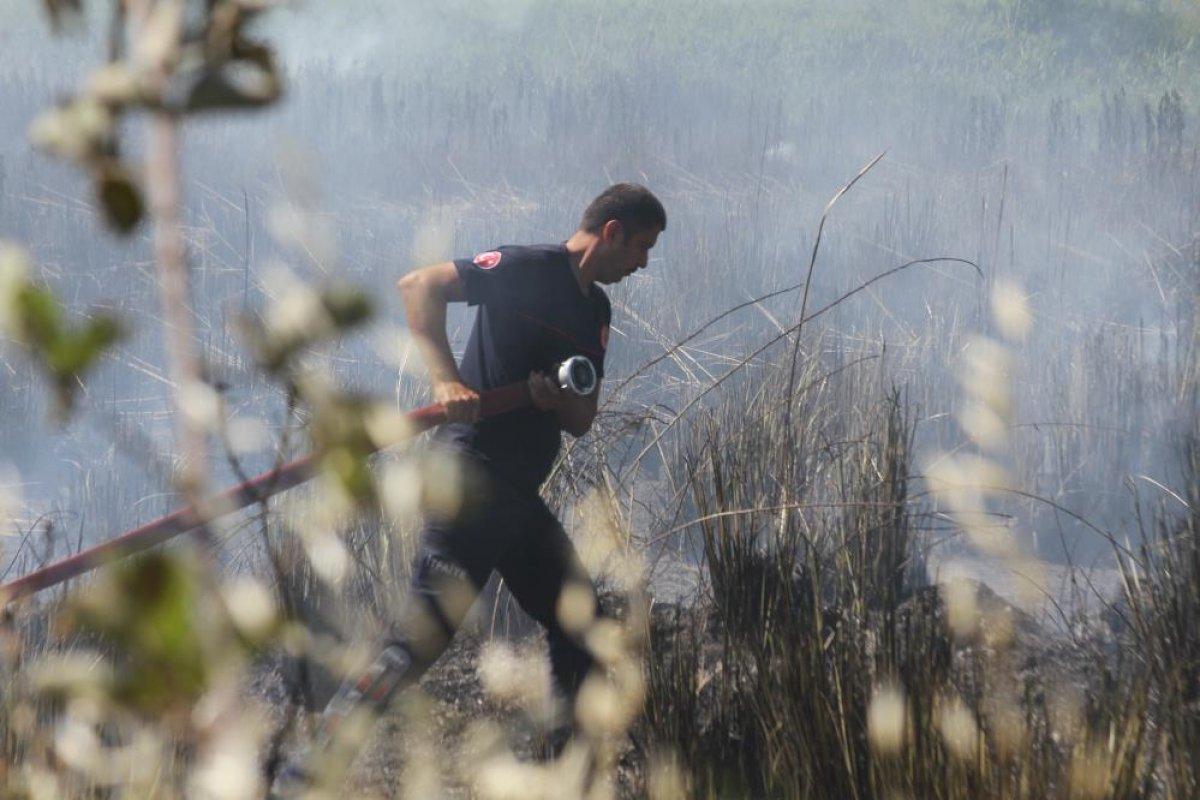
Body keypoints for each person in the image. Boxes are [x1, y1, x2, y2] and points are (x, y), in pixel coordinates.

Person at [272, 183, 665, 793]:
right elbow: (419, 286)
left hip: (517, 498)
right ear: (611, 232)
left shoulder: (597, 313)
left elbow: (582, 420)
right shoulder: (526, 268)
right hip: (470, 481)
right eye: (641, 247)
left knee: (580, 622)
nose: (642, 263)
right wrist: (446, 382)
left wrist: (555, 398)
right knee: (417, 642)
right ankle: (304, 774)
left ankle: (567, 778)